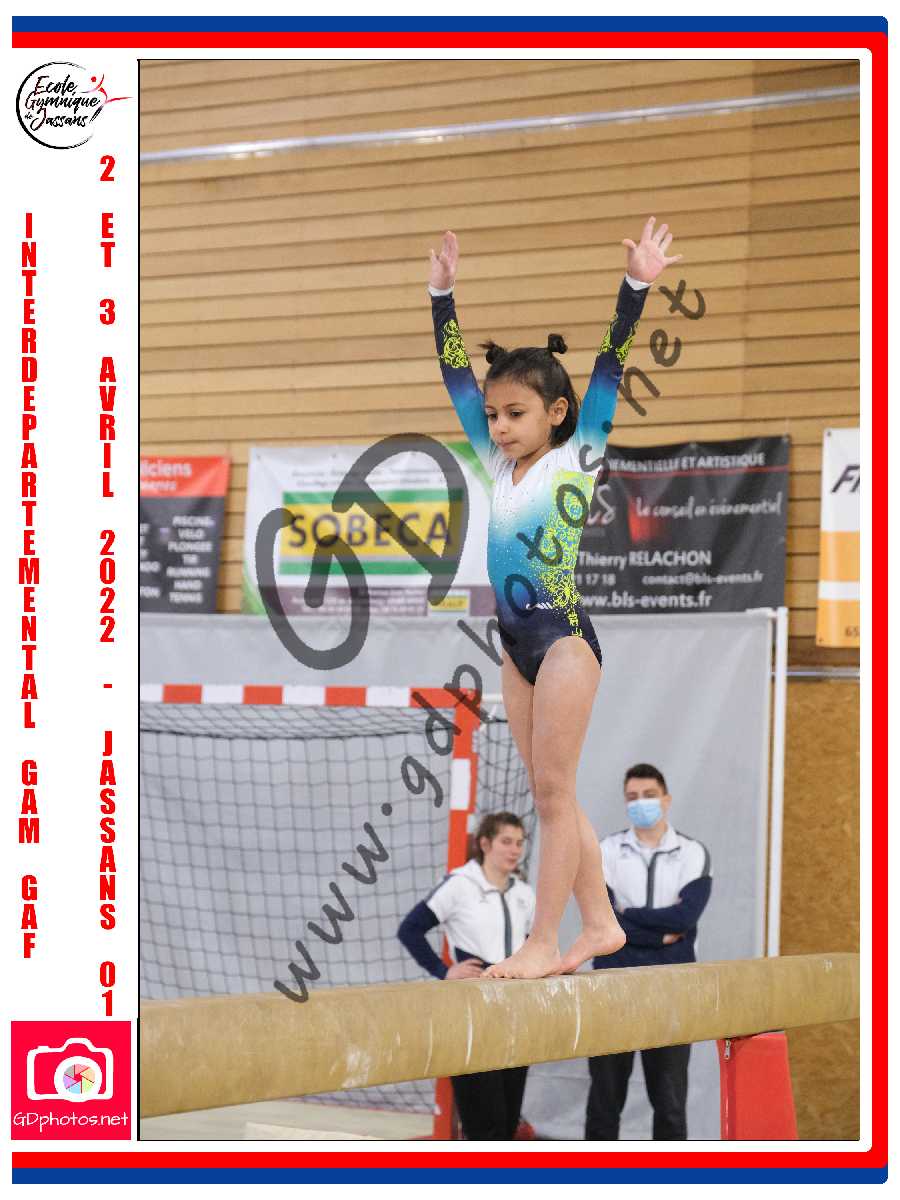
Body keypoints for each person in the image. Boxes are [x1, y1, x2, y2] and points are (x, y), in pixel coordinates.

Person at [428, 219, 681, 979]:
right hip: (516, 645)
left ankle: (543, 939)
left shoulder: (578, 456)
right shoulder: (494, 462)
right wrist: (443, 298)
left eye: (517, 414)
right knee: (553, 794)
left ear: (557, 415)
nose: (500, 426)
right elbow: (457, 380)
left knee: (552, 793)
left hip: (564, 639)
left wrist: (635, 287)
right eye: (495, 415)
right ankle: (600, 923)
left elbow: (608, 367)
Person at [585, 763, 713, 1141]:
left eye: (649, 795)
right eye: (632, 797)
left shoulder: (692, 852)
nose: (640, 803)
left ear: (666, 799)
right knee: (605, 1100)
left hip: (673, 987)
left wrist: (628, 917)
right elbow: (603, 922)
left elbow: (685, 917)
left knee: (670, 1103)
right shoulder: (605, 850)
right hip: (613, 986)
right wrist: (660, 936)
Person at [397, 812, 536, 1140]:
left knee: (507, 1122)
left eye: (519, 843)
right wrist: (445, 971)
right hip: (473, 1010)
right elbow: (410, 929)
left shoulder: (524, 893)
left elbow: (531, 942)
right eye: (506, 841)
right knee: (484, 1125)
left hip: (516, 1011)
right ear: (484, 844)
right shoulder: (460, 884)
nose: (514, 850)